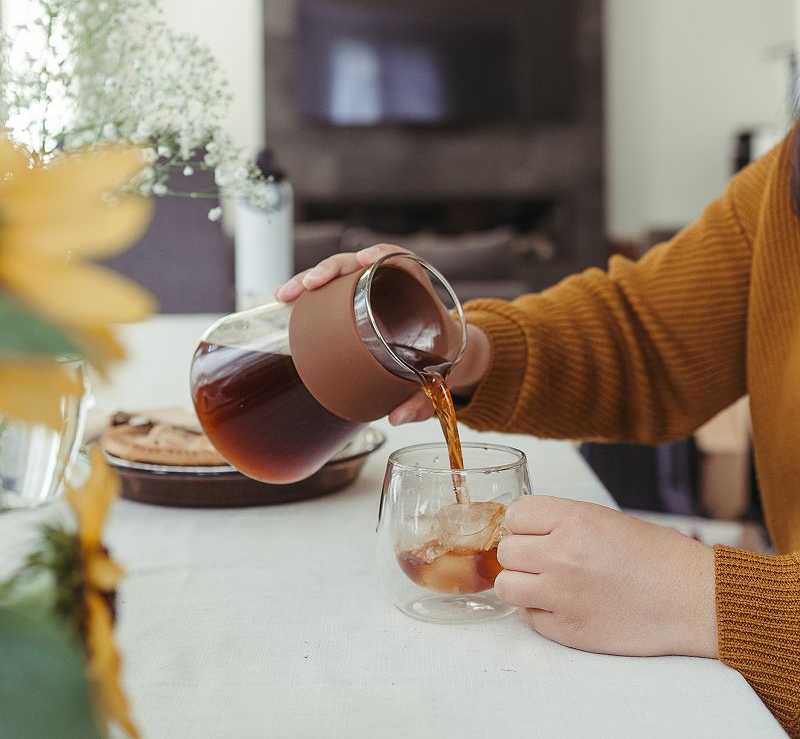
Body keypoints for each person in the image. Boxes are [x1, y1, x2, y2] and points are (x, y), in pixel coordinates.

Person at [276, 129, 800, 735]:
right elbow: (646, 338)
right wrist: (461, 348)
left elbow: (698, 597)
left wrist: (705, 597)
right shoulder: (789, 175)